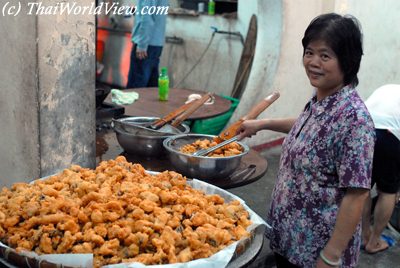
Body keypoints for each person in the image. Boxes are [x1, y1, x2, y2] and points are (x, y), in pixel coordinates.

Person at [237, 13, 375, 267]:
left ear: (347, 60)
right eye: (309, 52)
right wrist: (262, 123)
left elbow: (357, 195)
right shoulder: (322, 99)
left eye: (325, 55)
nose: (313, 62)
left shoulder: (354, 119)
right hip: (290, 237)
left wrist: (330, 256)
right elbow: (309, 128)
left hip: (316, 251)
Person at [361, 84, 400, 253]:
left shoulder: (389, 88)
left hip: (363, 130)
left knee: (362, 188)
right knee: (388, 191)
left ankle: (364, 235)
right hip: (390, 135)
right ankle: (374, 242)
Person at [127, 0, 169, 88]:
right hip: (156, 44)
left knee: (135, 89)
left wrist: (142, 44)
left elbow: (147, 18)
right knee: (151, 89)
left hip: (146, 45)